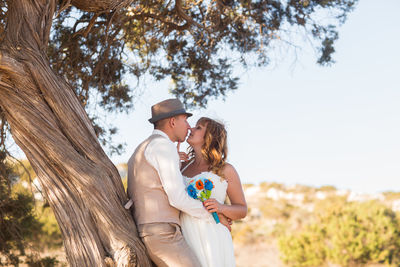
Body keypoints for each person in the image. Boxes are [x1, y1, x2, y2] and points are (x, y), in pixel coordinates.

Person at [125, 99, 229, 267]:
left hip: (153, 229)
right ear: (173, 122)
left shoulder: (145, 146)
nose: (189, 126)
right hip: (162, 233)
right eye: (185, 120)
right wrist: (214, 217)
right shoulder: (164, 147)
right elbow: (177, 198)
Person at [179, 117, 247, 267]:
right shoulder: (181, 166)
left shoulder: (225, 169)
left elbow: (242, 209)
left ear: (209, 137)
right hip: (183, 234)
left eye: (198, 128)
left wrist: (221, 208)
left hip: (213, 235)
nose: (191, 129)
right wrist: (174, 161)